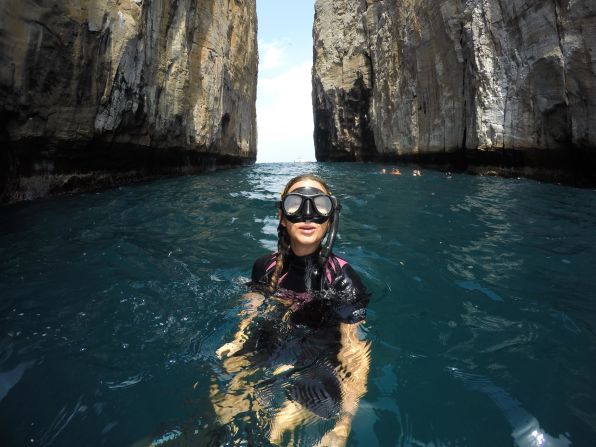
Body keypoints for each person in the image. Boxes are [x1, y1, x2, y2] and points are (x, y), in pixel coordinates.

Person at [212, 174, 370, 447]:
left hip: (317, 358)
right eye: (296, 204)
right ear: (282, 216)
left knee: (279, 425)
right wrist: (238, 338)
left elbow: (354, 352)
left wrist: (344, 425)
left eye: (319, 205)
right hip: (271, 343)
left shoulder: (344, 280)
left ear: (331, 216)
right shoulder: (264, 267)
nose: (307, 214)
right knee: (226, 396)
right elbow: (253, 306)